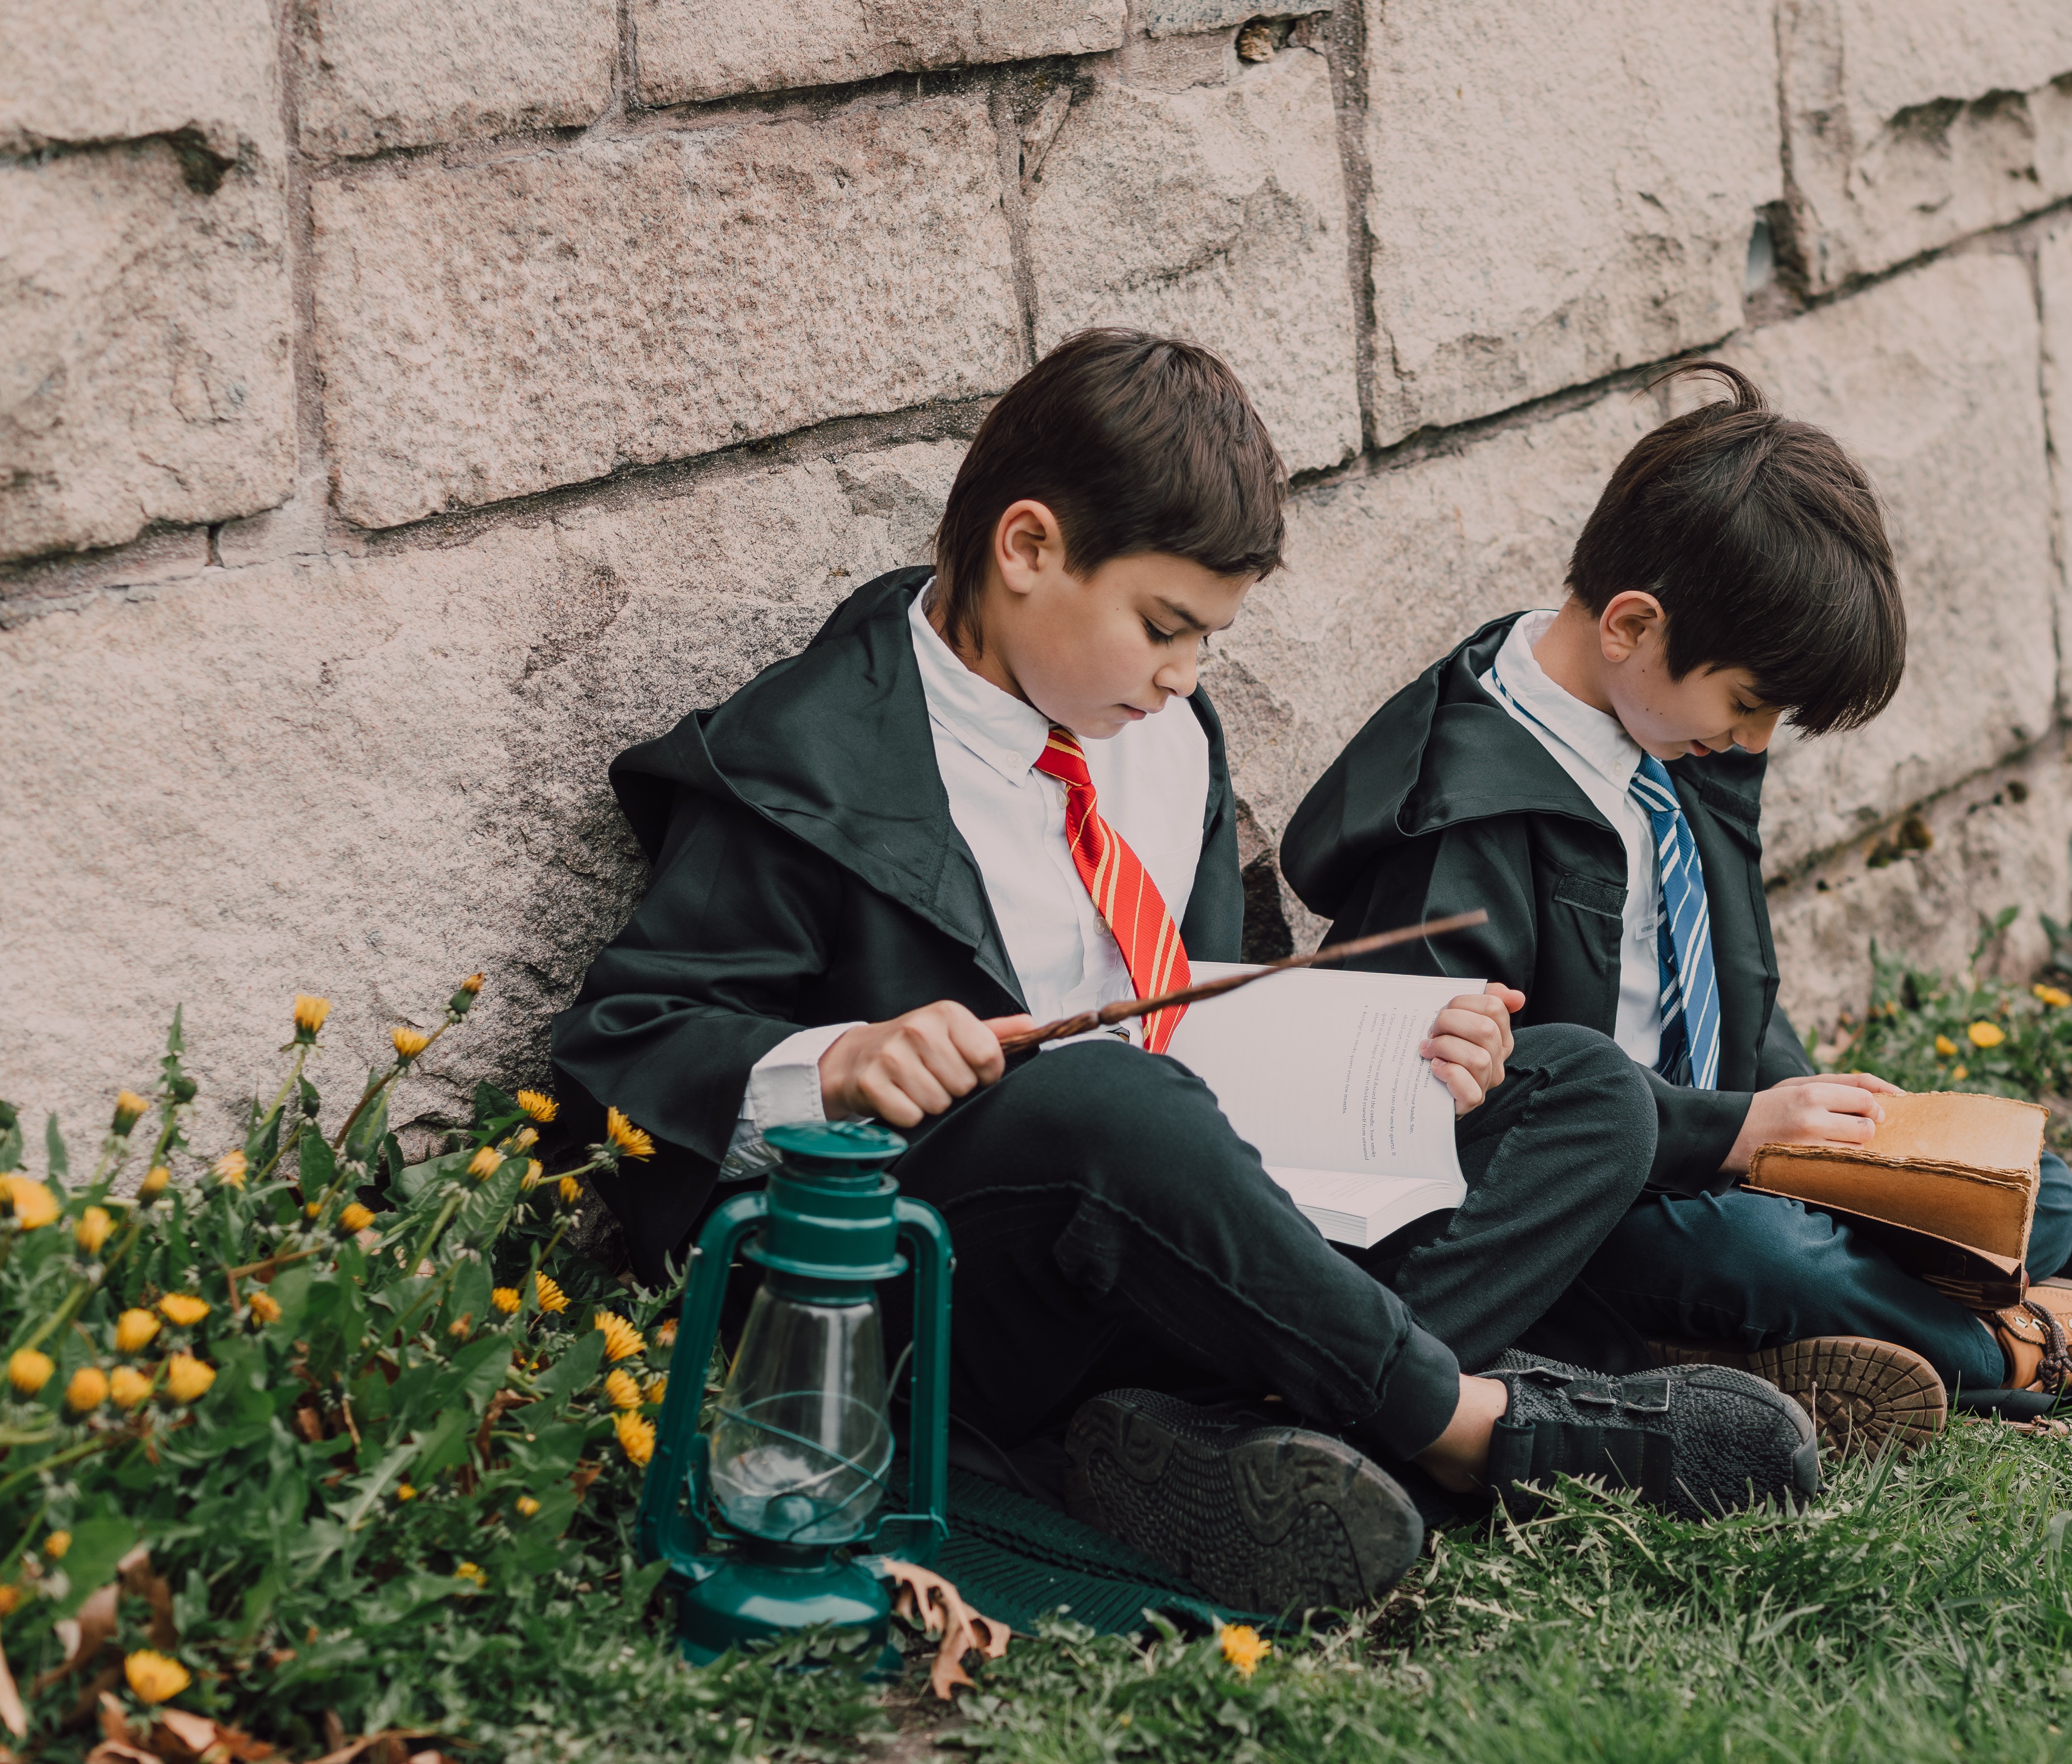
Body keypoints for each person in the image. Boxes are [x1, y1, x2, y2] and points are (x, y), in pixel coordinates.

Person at [549, 332, 1820, 1616]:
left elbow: (1216, 1002)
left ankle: (1230, 1431)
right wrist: (836, 1063)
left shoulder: (1167, 739)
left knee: (1583, 1089)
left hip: (1203, 1236)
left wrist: (1402, 1040)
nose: (1184, 678)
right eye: (1165, 629)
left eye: (1209, 640)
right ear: (1029, 548)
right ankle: (1471, 1425)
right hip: (979, 1279)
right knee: (1113, 1101)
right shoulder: (804, 762)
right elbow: (623, 1052)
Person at [1281, 362, 2072, 1435]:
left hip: (1723, 1137)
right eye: (1752, 703)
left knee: (2023, 1197)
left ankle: (1791, 1329)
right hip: (1596, 1200)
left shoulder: (1666, 722)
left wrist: (1826, 1131)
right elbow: (1502, 1115)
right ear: (1631, 625)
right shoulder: (1466, 816)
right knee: (1763, 1253)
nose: (1754, 741)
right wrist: (1741, 1136)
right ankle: (2021, 1346)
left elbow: (1725, 978)